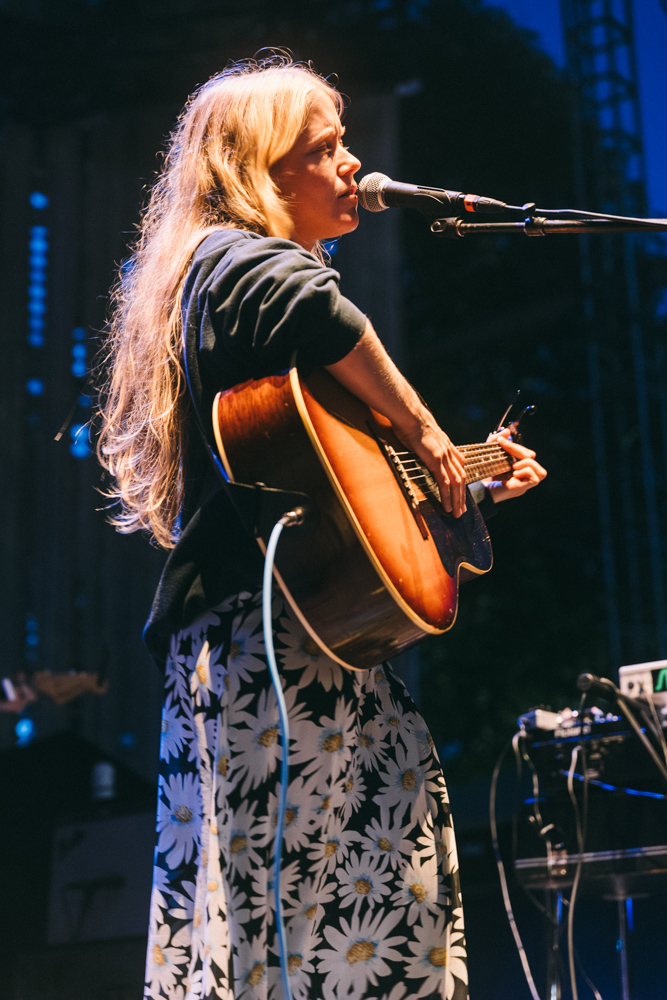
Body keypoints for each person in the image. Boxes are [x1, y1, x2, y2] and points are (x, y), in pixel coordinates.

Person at [98, 56, 546, 1000]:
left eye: (346, 141)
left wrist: (459, 479)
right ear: (257, 170)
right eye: (325, 147)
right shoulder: (225, 265)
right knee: (283, 920)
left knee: (375, 902)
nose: (354, 163)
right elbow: (309, 302)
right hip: (258, 651)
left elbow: (342, 508)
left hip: (317, 648)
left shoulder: (275, 329)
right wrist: (426, 433)